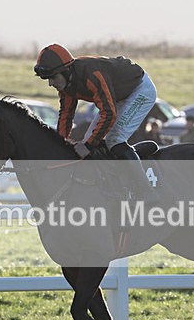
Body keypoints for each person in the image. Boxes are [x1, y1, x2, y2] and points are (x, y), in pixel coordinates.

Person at [34, 43, 159, 203]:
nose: (50, 83)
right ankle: (125, 165)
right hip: (118, 95)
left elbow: (109, 114)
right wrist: (59, 145)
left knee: (113, 139)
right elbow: (66, 115)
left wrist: (88, 146)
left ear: (66, 71)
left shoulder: (92, 74)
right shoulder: (66, 84)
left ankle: (145, 189)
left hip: (139, 90)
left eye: (52, 77)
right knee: (90, 139)